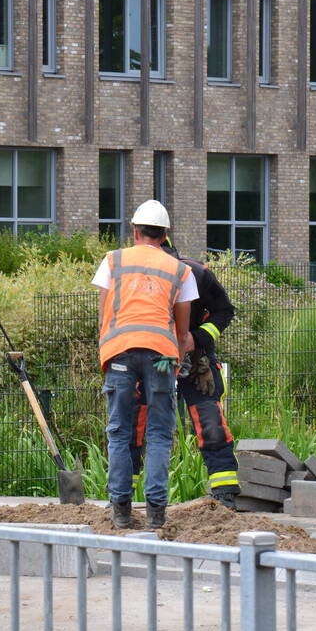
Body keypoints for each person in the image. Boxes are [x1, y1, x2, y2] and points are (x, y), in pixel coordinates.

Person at [92, 200, 196, 530]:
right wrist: (176, 363)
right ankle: (156, 514)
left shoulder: (113, 260)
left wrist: (111, 353)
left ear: (135, 231)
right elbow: (183, 331)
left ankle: (121, 511)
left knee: (119, 431)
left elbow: (104, 316)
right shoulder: (180, 270)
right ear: (165, 236)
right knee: (160, 433)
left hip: (119, 351)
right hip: (161, 356)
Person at [129, 241, 241, 508]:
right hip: (148, 359)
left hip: (194, 361)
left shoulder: (196, 274)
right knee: (133, 424)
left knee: (210, 420)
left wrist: (197, 338)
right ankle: (121, 496)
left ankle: (225, 494)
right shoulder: (133, 278)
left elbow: (224, 311)